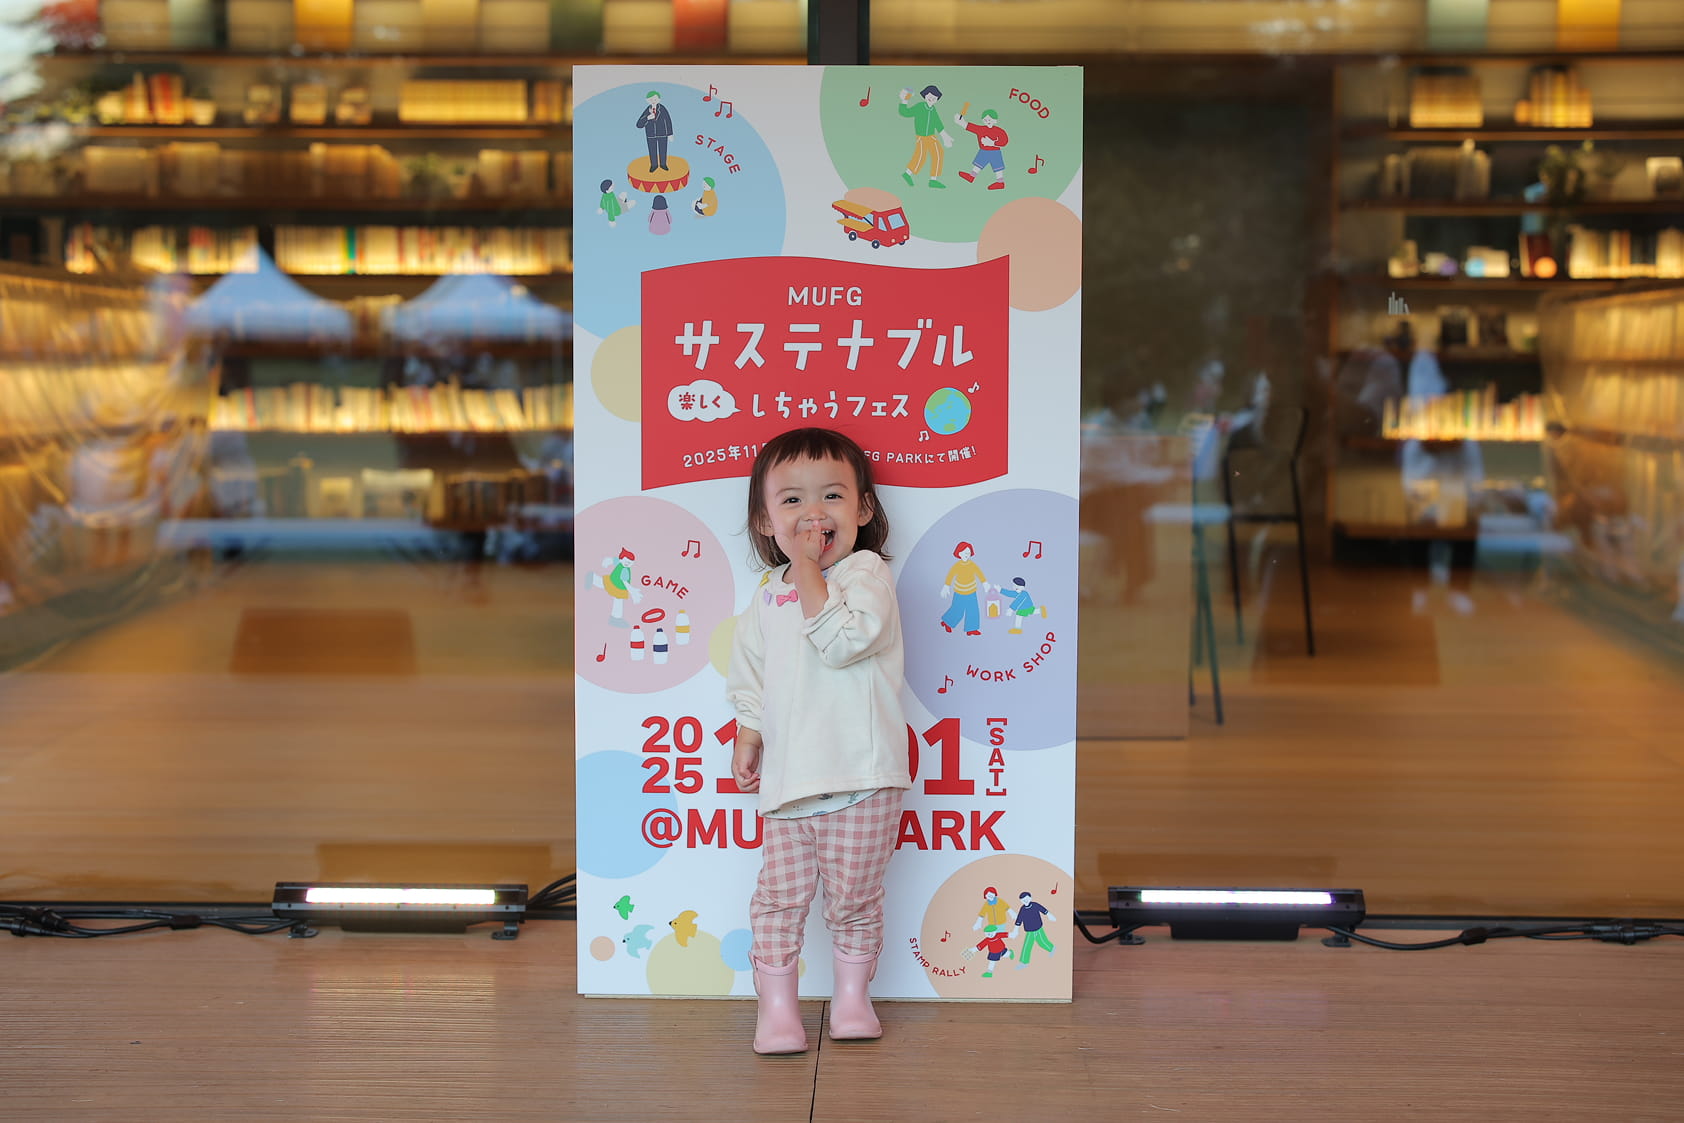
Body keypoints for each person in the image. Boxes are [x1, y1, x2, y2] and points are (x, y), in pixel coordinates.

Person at [727, 427, 911, 1055]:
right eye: (792, 500)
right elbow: (752, 675)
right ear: (765, 520)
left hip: (863, 778)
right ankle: (778, 1010)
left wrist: (807, 567)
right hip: (789, 784)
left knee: (854, 901)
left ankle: (852, 1000)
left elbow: (842, 641)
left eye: (832, 496)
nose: (813, 514)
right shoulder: (768, 596)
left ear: (863, 509)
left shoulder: (866, 576)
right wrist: (750, 732)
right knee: (778, 902)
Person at [897, 84, 954, 189]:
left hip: (931, 137)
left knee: (939, 153)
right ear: (925, 96)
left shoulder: (933, 110)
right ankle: (907, 173)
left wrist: (945, 136)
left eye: (935, 98)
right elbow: (906, 112)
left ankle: (933, 179)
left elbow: (938, 123)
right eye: (930, 96)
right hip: (921, 137)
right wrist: (904, 101)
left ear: (937, 99)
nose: (932, 99)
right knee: (921, 156)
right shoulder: (920, 106)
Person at [939, 540, 988, 635]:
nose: (966, 554)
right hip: (959, 592)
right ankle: (947, 622)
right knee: (957, 609)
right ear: (959, 553)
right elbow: (950, 575)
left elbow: (979, 573)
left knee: (973, 610)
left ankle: (971, 629)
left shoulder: (972, 565)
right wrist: (946, 586)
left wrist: (984, 583)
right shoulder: (957, 566)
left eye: (968, 553)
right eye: (964, 552)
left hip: (971, 592)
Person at [953, 107, 1008, 189]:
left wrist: (992, 143)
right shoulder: (981, 129)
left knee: (998, 167)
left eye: (989, 119)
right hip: (983, 151)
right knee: (978, 164)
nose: (987, 121)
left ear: (995, 120)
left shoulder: (999, 131)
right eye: (985, 120)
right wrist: (961, 122)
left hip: (995, 152)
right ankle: (971, 176)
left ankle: (1000, 182)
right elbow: (970, 126)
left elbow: (1005, 141)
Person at [634, 90, 673, 172]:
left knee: (663, 149)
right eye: (651, 99)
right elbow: (639, 125)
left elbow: (668, 121)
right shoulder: (647, 110)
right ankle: (654, 165)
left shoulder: (662, 109)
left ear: (659, 99)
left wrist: (670, 134)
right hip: (650, 134)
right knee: (652, 150)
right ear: (647, 100)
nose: (653, 101)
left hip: (663, 134)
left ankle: (663, 164)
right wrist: (647, 118)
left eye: (655, 99)